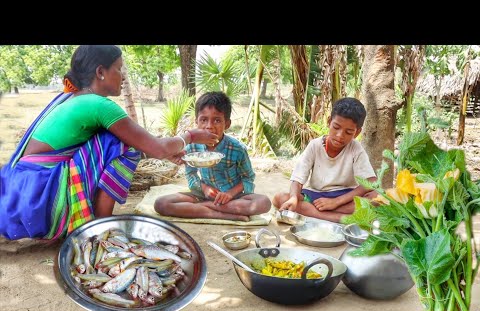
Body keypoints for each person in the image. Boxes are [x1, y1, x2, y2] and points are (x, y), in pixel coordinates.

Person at [0, 45, 218, 241]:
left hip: (24, 192)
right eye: (118, 68)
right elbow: (155, 147)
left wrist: (163, 151)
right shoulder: (99, 105)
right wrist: (190, 136)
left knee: (121, 140)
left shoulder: (74, 98)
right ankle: (100, 226)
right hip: (42, 199)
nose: (123, 76)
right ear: (100, 72)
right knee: (120, 143)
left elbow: (149, 146)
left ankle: (96, 219)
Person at [154, 91, 271, 221]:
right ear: (196, 121)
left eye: (217, 120)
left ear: (227, 124)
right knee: (161, 204)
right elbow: (191, 174)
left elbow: (248, 177)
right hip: (203, 195)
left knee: (264, 202)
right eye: (203, 120)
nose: (209, 126)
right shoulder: (192, 147)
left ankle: (205, 208)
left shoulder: (237, 149)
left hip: (233, 198)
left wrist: (229, 194)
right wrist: (204, 188)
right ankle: (218, 213)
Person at [272, 97, 377, 223]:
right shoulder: (315, 146)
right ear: (329, 121)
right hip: (316, 197)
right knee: (280, 198)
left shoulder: (355, 148)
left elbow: (370, 181)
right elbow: (298, 179)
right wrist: (294, 198)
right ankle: (341, 218)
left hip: (345, 197)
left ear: (357, 132)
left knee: (378, 198)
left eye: (348, 132)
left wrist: (335, 202)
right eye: (336, 127)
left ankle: (318, 214)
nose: (340, 135)